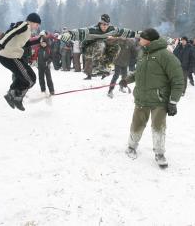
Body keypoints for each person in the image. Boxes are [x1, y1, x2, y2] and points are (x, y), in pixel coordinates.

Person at [119, 28, 184, 168]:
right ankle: (131, 146)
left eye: (141, 38)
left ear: (148, 40)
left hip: (159, 101)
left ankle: (159, 153)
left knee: (158, 127)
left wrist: (173, 101)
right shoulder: (143, 52)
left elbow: (178, 80)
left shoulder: (165, 55)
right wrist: (127, 79)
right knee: (136, 124)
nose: (138, 40)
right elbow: (139, 72)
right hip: (142, 97)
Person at [60, 14, 137, 80]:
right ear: (99, 23)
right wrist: (69, 34)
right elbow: (80, 32)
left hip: (100, 50)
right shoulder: (92, 30)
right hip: (88, 49)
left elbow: (124, 32)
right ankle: (96, 67)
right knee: (100, 43)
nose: (105, 26)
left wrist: (136, 34)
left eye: (107, 25)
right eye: (103, 24)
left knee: (116, 47)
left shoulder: (112, 30)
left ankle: (105, 65)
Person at [0, 13, 42, 111]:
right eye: (37, 24)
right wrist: (0, 44)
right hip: (9, 56)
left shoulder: (28, 31)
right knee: (30, 79)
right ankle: (15, 96)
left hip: (13, 56)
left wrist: (38, 41)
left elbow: (25, 44)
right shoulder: (24, 25)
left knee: (30, 78)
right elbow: (11, 32)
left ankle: (13, 96)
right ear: (31, 21)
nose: (37, 27)